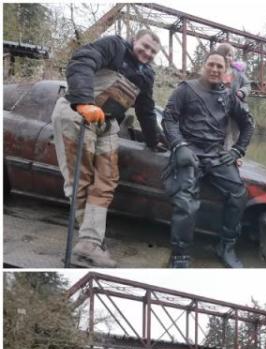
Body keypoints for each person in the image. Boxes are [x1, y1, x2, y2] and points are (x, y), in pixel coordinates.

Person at [52, 29, 164, 267]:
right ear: (135, 39)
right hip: (77, 113)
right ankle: (90, 242)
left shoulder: (146, 75)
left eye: (152, 51)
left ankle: (89, 241)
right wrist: (83, 101)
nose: (147, 52)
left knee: (107, 180)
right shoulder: (113, 46)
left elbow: (145, 108)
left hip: (108, 122)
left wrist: (155, 140)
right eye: (144, 46)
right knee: (80, 179)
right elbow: (82, 60)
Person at [162, 52, 255, 269]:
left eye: (219, 66)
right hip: (189, 152)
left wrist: (237, 151)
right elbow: (169, 118)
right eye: (211, 65)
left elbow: (248, 124)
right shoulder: (186, 89)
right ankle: (180, 255)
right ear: (204, 66)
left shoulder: (230, 96)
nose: (214, 69)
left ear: (225, 71)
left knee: (239, 194)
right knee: (185, 201)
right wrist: (179, 145)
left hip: (216, 154)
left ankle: (226, 246)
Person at [212, 42, 251, 151]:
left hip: (234, 109)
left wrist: (242, 92)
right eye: (224, 54)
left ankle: (234, 154)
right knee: (218, 131)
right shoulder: (215, 71)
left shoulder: (237, 73)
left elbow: (247, 85)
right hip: (217, 108)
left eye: (230, 55)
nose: (227, 57)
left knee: (233, 132)